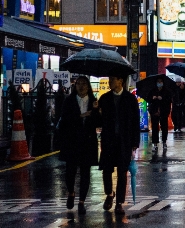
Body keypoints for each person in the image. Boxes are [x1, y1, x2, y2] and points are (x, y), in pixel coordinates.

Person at [98, 69, 141, 215]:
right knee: (106, 170)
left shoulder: (130, 99)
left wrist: (135, 143)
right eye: (109, 79)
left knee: (122, 172)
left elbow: (136, 122)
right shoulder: (104, 99)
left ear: (120, 81)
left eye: (112, 79)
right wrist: (96, 111)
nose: (110, 82)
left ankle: (119, 203)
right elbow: (99, 121)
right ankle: (110, 194)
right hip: (108, 140)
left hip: (124, 141)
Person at [58, 76, 100, 214]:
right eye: (78, 84)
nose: (81, 86)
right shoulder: (69, 101)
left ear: (88, 86)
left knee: (85, 173)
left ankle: (82, 201)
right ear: (75, 86)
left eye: (84, 84)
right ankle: (71, 192)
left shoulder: (94, 102)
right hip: (72, 141)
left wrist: (95, 112)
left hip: (87, 142)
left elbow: (99, 123)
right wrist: (81, 116)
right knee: (70, 172)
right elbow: (64, 119)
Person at [149, 76, 172, 152]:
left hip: (164, 112)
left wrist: (162, 98)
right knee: (155, 128)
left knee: (164, 127)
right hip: (154, 111)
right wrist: (153, 98)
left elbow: (169, 100)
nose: (159, 83)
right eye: (158, 82)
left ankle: (164, 142)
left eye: (160, 81)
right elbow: (148, 99)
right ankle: (155, 144)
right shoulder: (152, 91)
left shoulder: (166, 91)